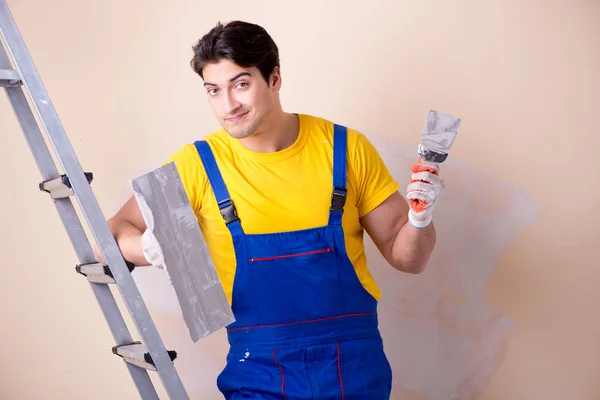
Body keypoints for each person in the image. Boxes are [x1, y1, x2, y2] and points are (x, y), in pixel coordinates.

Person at [95, 20, 445, 399]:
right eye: (214, 91)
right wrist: (146, 247)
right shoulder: (197, 165)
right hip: (258, 370)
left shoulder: (346, 149)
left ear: (274, 79)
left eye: (240, 84)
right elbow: (106, 238)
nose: (228, 105)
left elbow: (409, 259)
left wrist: (419, 218)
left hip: (353, 368)